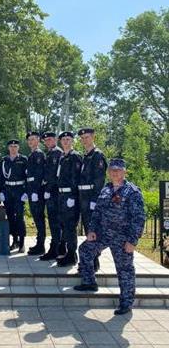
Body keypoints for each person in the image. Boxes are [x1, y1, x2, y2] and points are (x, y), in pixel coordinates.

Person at [74, 158, 145, 315]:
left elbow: (139, 218)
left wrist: (132, 241)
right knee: (85, 250)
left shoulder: (132, 192)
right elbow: (97, 213)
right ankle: (89, 282)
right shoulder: (106, 189)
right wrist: (92, 230)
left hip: (122, 237)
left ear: (124, 172)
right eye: (112, 170)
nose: (115, 172)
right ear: (108, 172)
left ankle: (126, 302)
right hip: (103, 233)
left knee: (124, 269)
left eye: (118, 170)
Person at [77, 128, 107, 272]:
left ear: (93, 137)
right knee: (88, 229)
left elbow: (99, 180)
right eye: (82, 138)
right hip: (83, 196)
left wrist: (95, 200)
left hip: (91, 197)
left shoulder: (97, 155)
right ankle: (88, 261)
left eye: (87, 137)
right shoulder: (85, 156)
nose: (84, 140)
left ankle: (93, 262)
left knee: (93, 230)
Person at [56, 131, 82, 267]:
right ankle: (67, 251)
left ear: (72, 141)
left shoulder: (75, 156)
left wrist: (72, 196)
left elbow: (76, 177)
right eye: (63, 139)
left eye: (68, 139)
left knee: (70, 226)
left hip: (69, 196)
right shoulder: (62, 156)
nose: (66, 141)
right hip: (61, 195)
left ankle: (72, 255)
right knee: (64, 225)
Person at [0, 139, 28, 253]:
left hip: (20, 190)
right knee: (10, 217)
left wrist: (26, 192)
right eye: (11, 146)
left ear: (18, 148)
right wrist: (1, 192)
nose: (13, 148)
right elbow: (1, 177)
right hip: (8, 191)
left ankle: (22, 243)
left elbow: (27, 177)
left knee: (20, 217)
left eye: (15, 146)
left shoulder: (23, 159)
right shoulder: (4, 160)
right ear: (8, 148)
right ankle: (14, 241)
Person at [40, 131, 63, 260]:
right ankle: (57, 247)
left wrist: (48, 189)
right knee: (53, 221)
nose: (47, 142)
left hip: (54, 192)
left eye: (49, 139)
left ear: (55, 140)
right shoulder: (50, 153)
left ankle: (55, 249)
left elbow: (55, 175)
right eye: (46, 140)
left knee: (55, 222)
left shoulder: (57, 153)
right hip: (50, 192)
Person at [25, 131, 46, 256]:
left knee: (39, 218)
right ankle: (39, 244)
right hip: (32, 191)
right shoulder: (32, 155)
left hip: (36, 192)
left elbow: (39, 175)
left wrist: (35, 192)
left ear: (38, 140)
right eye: (29, 140)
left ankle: (41, 245)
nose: (31, 142)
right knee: (37, 218)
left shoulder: (38, 154)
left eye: (33, 139)